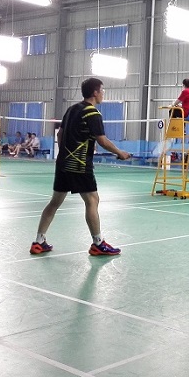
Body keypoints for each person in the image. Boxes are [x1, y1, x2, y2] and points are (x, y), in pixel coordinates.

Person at [29, 77, 131, 256]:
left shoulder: (72, 109)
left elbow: (60, 134)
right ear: (95, 92)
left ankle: (38, 242)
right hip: (80, 164)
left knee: (55, 202)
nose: (103, 94)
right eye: (102, 90)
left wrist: (65, 152)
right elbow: (102, 140)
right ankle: (98, 244)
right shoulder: (93, 113)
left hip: (63, 163)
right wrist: (119, 152)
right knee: (92, 200)